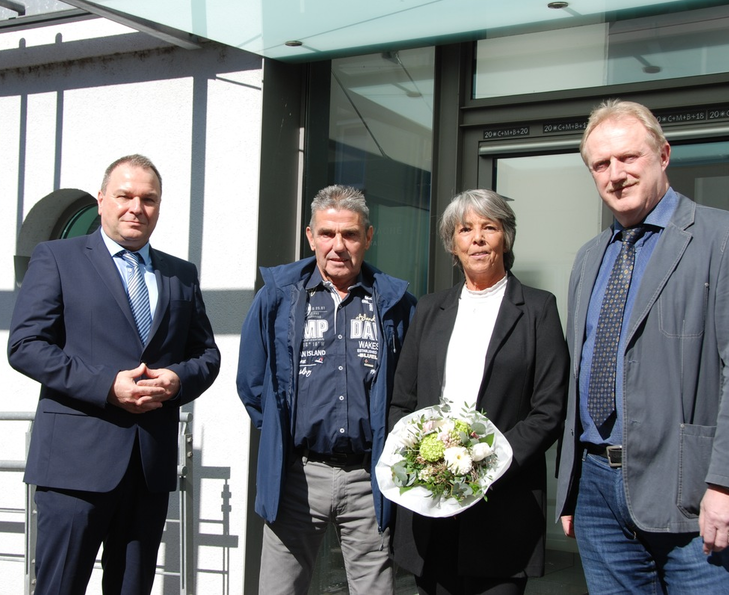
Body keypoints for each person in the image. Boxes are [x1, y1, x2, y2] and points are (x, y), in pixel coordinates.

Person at [8, 154, 221, 595]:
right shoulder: (57, 257)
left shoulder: (180, 274)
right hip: (74, 467)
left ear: (159, 207)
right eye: (124, 196)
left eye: (148, 199)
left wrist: (177, 381)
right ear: (102, 199)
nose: (136, 208)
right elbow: (25, 347)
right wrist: (107, 385)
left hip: (148, 469)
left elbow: (206, 354)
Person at [556, 99, 729, 593]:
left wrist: (724, 484)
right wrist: (571, 487)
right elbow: (581, 374)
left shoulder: (719, 238)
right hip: (597, 492)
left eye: (629, 157)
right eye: (601, 164)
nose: (616, 174)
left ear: (664, 155)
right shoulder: (590, 257)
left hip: (692, 492)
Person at [236, 185, 416, 594]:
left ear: (368, 237)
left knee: (375, 589)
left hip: (368, 477)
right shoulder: (278, 297)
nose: (338, 245)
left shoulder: (395, 303)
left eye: (350, 235)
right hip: (298, 475)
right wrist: (283, 437)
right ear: (310, 235)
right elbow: (251, 382)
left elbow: (411, 389)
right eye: (328, 233)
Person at [389, 189, 568, 595]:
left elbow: (549, 410)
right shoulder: (429, 309)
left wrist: (483, 466)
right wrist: (422, 465)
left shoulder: (538, 309)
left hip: (503, 505)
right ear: (453, 243)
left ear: (506, 237)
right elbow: (403, 400)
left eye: (490, 227)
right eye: (465, 229)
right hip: (430, 504)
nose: (478, 238)